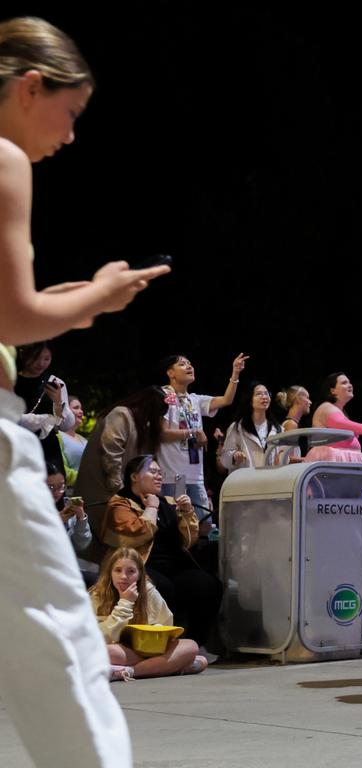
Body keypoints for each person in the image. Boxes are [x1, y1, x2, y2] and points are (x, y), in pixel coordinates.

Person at [1, 16, 171, 767]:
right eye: (69, 113)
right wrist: (96, 299)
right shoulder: (5, 158)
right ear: (29, 86)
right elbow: (14, 314)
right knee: (62, 626)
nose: (69, 137)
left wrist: (84, 295)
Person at [101, 455, 221, 650]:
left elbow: (189, 541)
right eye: (153, 472)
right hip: (139, 567)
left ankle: (194, 643)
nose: (159, 477)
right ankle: (159, 645)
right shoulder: (120, 504)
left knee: (207, 584)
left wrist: (187, 512)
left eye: (160, 473)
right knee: (163, 587)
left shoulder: (167, 502)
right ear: (134, 477)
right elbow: (136, 535)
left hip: (174, 565)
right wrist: (151, 507)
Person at [90, 547, 206, 680]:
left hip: (151, 652)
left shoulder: (149, 592)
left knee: (191, 646)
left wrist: (156, 631)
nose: (123, 577)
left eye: (131, 571)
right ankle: (166, 666)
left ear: (139, 574)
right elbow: (97, 638)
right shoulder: (97, 595)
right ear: (110, 572)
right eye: (118, 570)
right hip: (122, 651)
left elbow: (166, 626)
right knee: (105, 652)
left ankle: (130, 671)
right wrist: (125, 603)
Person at [158, 352, 248, 512]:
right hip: (175, 476)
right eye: (182, 364)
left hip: (196, 476)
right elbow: (162, 433)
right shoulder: (165, 396)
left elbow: (227, 400)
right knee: (180, 524)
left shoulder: (195, 400)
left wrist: (235, 373)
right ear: (170, 373)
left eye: (190, 363)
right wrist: (193, 432)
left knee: (204, 524)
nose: (189, 366)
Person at [75, 386, 169, 537]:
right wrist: (122, 492)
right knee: (100, 536)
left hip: (122, 492)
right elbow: (111, 454)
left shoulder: (143, 425)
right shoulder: (121, 415)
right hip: (104, 489)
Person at [14, 340, 75, 468]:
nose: (41, 363)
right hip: (15, 445)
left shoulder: (55, 382)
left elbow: (66, 425)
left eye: (47, 358)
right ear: (23, 354)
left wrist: (58, 402)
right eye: (36, 358)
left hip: (47, 449)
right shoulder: (10, 380)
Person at [308, 372, 362, 463]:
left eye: (349, 382)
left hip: (338, 458)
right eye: (344, 383)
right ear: (332, 391)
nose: (350, 385)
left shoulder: (340, 411)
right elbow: (341, 423)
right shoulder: (327, 407)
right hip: (329, 460)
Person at [219, 382, 284, 472]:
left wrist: (282, 457)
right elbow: (225, 458)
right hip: (247, 481)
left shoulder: (278, 429)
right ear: (250, 399)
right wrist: (234, 456)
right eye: (259, 394)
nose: (264, 396)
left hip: (270, 480)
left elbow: (284, 456)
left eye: (266, 393)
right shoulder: (237, 427)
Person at [59, 393, 89, 486]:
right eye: (76, 408)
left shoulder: (84, 439)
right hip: (70, 491)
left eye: (81, 408)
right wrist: (84, 478)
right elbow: (60, 467)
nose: (81, 411)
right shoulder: (58, 436)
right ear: (65, 411)